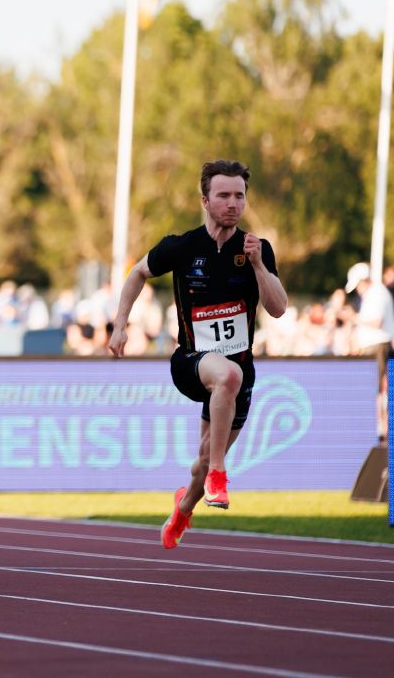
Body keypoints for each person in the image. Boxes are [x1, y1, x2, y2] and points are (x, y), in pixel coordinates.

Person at [109, 159, 287, 549]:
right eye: (223, 195)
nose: (233, 203)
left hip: (240, 369)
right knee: (227, 378)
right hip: (191, 362)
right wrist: (121, 323)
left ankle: (183, 510)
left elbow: (278, 308)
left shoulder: (257, 249)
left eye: (239, 195)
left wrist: (258, 266)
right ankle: (220, 475)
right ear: (205, 200)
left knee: (204, 456)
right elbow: (137, 272)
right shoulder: (182, 246)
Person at [345, 261, 394, 443]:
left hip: (377, 345)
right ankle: (380, 430)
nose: (357, 290)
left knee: (374, 389)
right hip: (377, 345)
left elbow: (376, 322)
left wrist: (353, 318)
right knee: (376, 389)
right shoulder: (376, 294)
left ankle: (379, 430)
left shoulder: (376, 294)